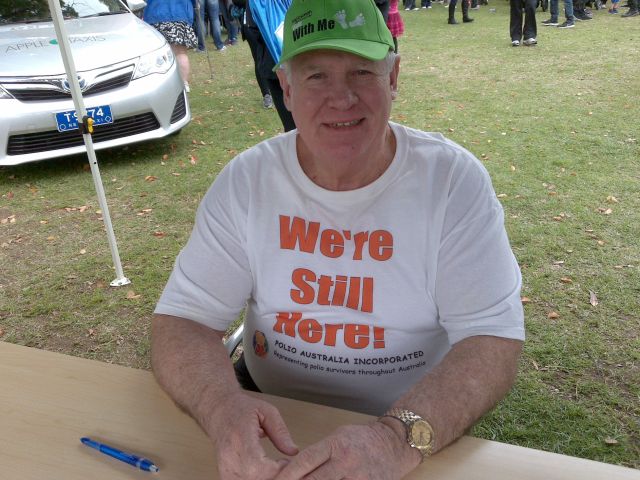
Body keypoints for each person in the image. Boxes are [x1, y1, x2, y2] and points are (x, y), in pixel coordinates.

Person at [152, 0, 525, 478]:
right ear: (285, 88)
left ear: (393, 79)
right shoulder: (248, 180)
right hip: (268, 411)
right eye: (315, 77)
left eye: (361, 74)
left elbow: (491, 338)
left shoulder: (452, 181)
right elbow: (182, 321)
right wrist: (224, 410)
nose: (342, 98)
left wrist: (395, 437)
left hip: (414, 420)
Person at [143, 0, 198, 92]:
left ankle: (159, 85)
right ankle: (184, 83)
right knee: (180, 53)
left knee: (156, 55)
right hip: (180, 14)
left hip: (155, 13)